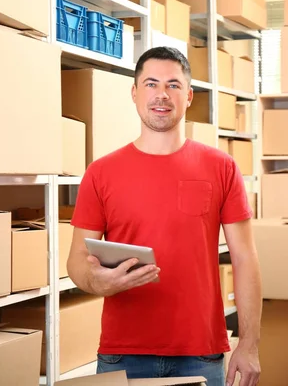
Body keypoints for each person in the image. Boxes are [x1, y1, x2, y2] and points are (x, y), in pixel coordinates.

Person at [67, 46, 262, 386]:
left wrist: (249, 344)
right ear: (134, 92)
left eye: (173, 85)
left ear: (188, 95)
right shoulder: (101, 172)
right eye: (151, 83)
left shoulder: (222, 167)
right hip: (123, 352)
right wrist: (98, 281)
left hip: (200, 353)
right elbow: (76, 260)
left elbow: (245, 257)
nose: (161, 94)